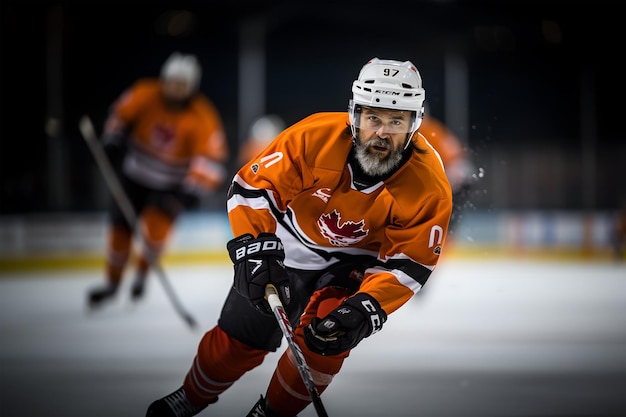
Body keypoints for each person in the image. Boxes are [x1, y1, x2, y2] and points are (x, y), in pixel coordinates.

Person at [145, 57, 452, 417]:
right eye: (373, 118)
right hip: (287, 245)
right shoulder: (314, 136)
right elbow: (255, 188)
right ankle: (191, 396)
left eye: (396, 121)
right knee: (236, 344)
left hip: (355, 263)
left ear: (414, 124)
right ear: (355, 116)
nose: (382, 133)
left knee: (330, 336)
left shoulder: (430, 184)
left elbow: (409, 262)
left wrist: (368, 305)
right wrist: (255, 247)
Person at [87, 52, 229, 307]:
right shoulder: (145, 92)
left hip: (170, 186)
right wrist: (113, 138)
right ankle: (112, 282)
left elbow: (210, 161)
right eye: (171, 81)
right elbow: (120, 115)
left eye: (181, 84)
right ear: (163, 80)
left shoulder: (203, 116)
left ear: (191, 87)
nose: (175, 88)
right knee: (119, 233)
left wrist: (188, 192)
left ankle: (142, 273)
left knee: (155, 234)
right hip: (134, 177)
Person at [418, 110, 475, 236]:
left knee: (442, 219)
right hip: (457, 174)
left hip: (454, 175)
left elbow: (451, 157)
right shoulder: (431, 128)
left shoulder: (426, 129)